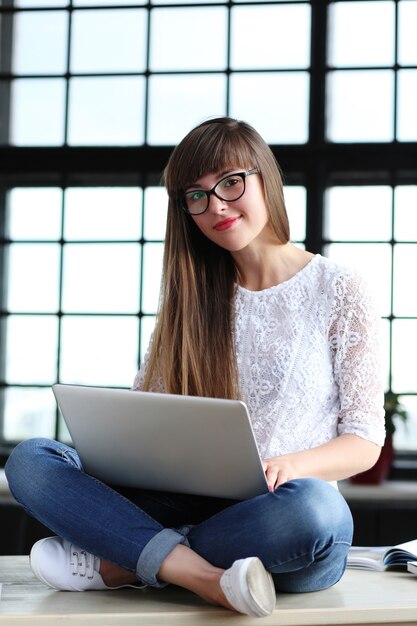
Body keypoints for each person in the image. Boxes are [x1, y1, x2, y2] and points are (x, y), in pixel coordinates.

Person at [5, 117, 385, 618]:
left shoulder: (339, 287)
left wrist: (290, 466)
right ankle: (202, 576)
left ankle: (126, 562)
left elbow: (363, 441)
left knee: (318, 509)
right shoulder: (190, 302)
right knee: (30, 460)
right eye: (197, 196)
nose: (217, 206)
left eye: (231, 182)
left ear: (266, 177)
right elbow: (144, 423)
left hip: (280, 521)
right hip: (189, 502)